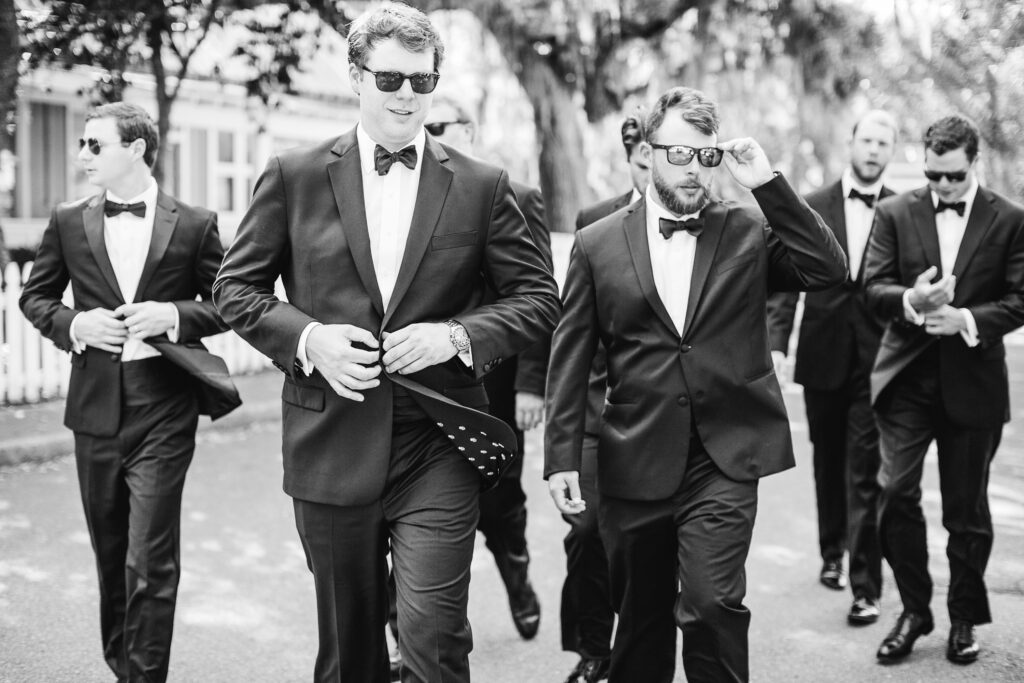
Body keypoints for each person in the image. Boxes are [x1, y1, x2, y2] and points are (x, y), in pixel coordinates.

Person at [212, 4, 560, 682]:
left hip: (439, 440)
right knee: (349, 654)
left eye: (422, 82)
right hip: (332, 440)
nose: (408, 95)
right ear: (355, 75)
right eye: (392, 78)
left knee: (433, 635)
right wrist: (309, 338)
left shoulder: (483, 185)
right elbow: (235, 289)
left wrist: (456, 334)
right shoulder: (295, 174)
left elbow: (539, 298)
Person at [544, 86, 847, 683]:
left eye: (706, 157)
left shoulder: (746, 230)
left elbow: (828, 268)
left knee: (711, 605)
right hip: (635, 455)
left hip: (726, 453)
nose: (693, 169)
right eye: (679, 154)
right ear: (649, 153)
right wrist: (560, 458)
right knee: (641, 618)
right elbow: (571, 353)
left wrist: (768, 183)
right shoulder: (597, 242)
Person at [19, 101, 234, 682]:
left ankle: (144, 675)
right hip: (95, 406)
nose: (82, 154)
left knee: (150, 558)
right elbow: (35, 297)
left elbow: (226, 304)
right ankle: (125, 663)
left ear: (136, 148)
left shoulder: (194, 222)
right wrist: (73, 326)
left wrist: (172, 313)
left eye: (96, 144)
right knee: (112, 554)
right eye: (84, 144)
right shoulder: (67, 220)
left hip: (165, 404)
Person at [862, 114, 1024, 665]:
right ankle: (913, 609)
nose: (942, 187)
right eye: (933, 176)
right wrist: (913, 300)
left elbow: (1021, 297)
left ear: (973, 163)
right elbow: (873, 288)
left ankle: (963, 617)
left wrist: (967, 319)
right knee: (894, 494)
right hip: (906, 377)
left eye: (953, 177)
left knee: (966, 509)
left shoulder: (1010, 219)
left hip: (973, 380)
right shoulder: (894, 212)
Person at [766, 110, 898, 622]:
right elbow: (784, 283)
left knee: (865, 470)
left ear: (891, 150)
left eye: (884, 143)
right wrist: (777, 345)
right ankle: (831, 553)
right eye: (867, 139)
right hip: (821, 356)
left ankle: (867, 584)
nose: (873, 150)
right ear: (851, 142)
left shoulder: (901, 209)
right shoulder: (812, 205)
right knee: (827, 464)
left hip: (879, 359)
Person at [559, 111, 649, 683]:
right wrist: (561, 440)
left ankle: (641, 647)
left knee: (641, 542)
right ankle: (594, 648)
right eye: (643, 163)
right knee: (587, 532)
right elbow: (573, 331)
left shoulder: (714, 223)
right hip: (597, 412)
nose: (653, 172)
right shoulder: (595, 222)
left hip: (659, 415)